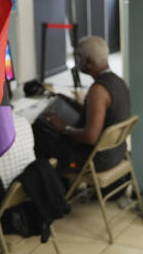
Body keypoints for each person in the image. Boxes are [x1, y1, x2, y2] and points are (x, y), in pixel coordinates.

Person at [32, 36, 130, 173]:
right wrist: (70, 101)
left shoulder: (98, 90)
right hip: (116, 153)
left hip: (96, 159)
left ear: (89, 62)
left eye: (78, 57)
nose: (77, 61)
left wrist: (64, 127)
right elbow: (101, 114)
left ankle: (53, 186)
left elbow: (90, 137)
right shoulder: (118, 82)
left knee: (40, 130)